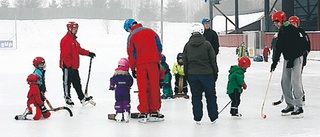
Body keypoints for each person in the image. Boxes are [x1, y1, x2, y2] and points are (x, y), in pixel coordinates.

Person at [124, 18, 164, 123]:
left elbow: (131, 54)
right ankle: (154, 110)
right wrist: (157, 58)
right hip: (153, 63)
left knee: (142, 88)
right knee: (154, 86)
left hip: (141, 65)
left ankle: (144, 111)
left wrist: (132, 67)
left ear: (129, 27)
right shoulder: (151, 32)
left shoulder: (131, 36)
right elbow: (159, 47)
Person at [270, 11, 305, 118]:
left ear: (282, 20)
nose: (275, 24)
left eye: (276, 21)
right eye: (274, 22)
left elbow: (297, 47)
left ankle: (299, 106)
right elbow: (279, 48)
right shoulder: (281, 32)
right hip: (287, 58)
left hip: (296, 57)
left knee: (295, 81)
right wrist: (274, 62)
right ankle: (290, 104)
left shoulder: (293, 30)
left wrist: (291, 60)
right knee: (285, 82)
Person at [182, 23, 219, 124]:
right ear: (202, 32)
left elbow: (185, 61)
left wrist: (187, 74)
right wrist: (215, 72)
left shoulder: (187, 46)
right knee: (210, 96)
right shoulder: (207, 44)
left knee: (196, 96)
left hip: (192, 75)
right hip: (207, 74)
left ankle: (197, 117)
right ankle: (213, 116)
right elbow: (213, 60)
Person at [60, 21, 96, 107]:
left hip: (74, 66)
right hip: (67, 66)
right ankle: (67, 98)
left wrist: (88, 53)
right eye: (74, 28)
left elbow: (79, 50)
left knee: (77, 83)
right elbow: (65, 55)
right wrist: (69, 66)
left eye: (76, 28)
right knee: (67, 83)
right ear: (69, 29)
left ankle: (82, 98)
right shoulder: (66, 40)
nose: (75, 30)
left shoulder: (74, 40)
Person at [288, 15, 311, 102]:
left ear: (297, 24)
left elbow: (307, 47)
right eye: (291, 23)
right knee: (291, 79)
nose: (293, 25)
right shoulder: (288, 33)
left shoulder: (302, 33)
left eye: (294, 23)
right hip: (290, 59)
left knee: (296, 79)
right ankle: (296, 95)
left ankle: (300, 96)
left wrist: (303, 55)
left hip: (299, 59)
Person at [109, 58, 133, 123]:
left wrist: (112, 86)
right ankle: (126, 111)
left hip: (118, 90)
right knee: (126, 101)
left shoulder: (116, 74)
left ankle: (119, 112)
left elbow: (112, 80)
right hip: (125, 89)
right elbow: (131, 81)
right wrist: (129, 86)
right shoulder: (127, 75)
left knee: (118, 101)